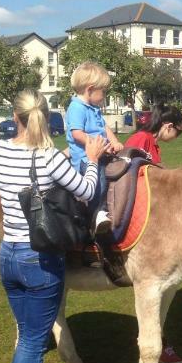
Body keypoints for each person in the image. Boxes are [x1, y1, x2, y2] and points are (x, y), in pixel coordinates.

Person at [0, 90, 106, 363]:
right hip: (39, 259)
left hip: (8, 253)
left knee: (26, 337)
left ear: (16, 115)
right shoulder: (50, 158)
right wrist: (92, 159)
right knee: (31, 343)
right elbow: (85, 191)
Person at [125, 103, 182, 363]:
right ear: (169, 126)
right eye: (179, 133)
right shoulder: (142, 139)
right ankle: (156, 344)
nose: (178, 138)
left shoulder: (151, 140)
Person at [65, 61, 123, 235]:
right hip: (86, 158)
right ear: (90, 90)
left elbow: (104, 127)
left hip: (99, 153)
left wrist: (113, 141)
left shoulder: (93, 108)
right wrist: (100, 146)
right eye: (103, 92)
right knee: (98, 185)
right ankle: (96, 216)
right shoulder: (76, 108)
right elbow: (77, 134)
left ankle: (107, 210)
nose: (104, 96)